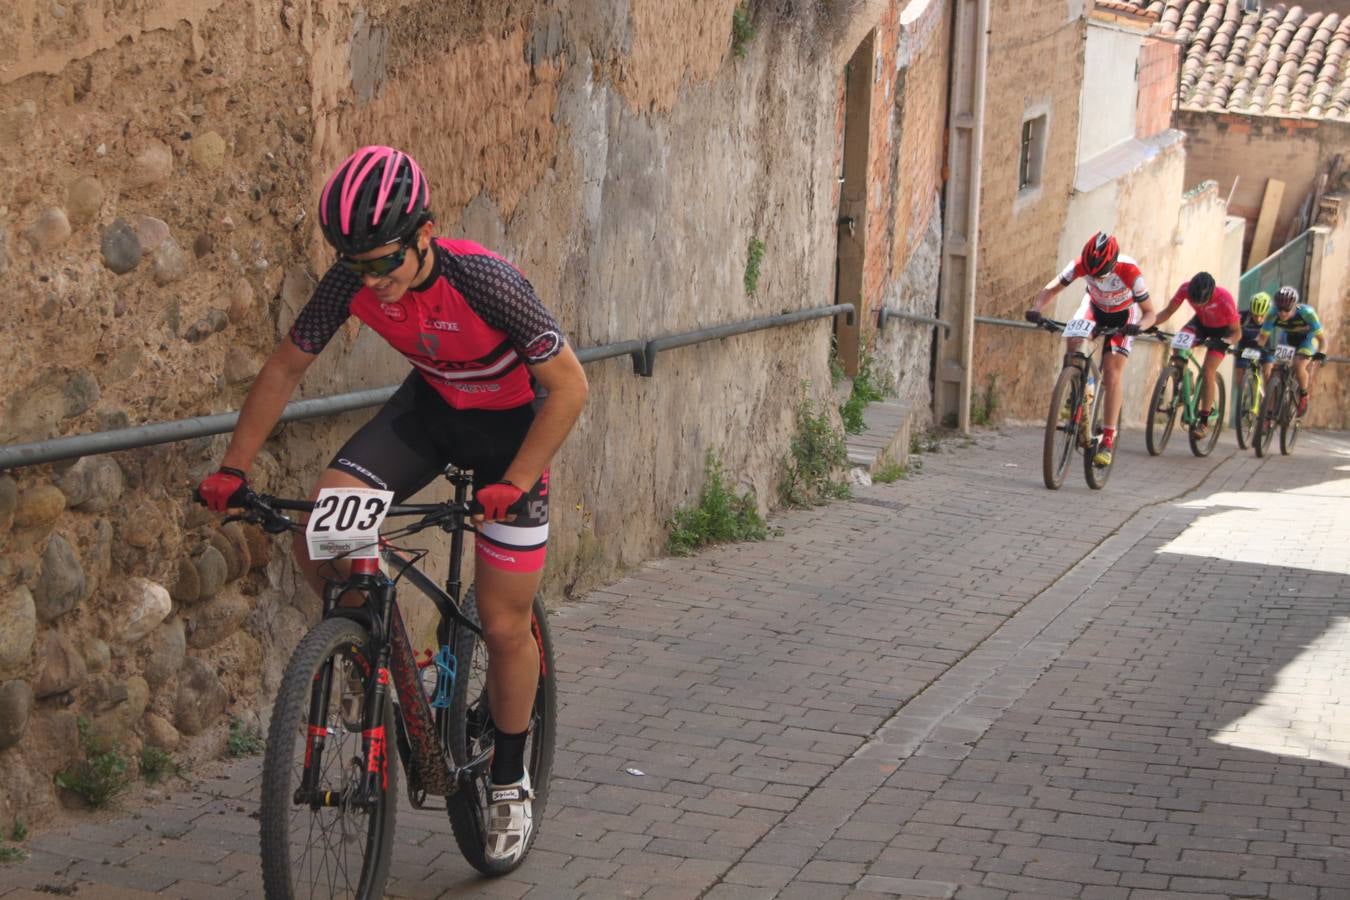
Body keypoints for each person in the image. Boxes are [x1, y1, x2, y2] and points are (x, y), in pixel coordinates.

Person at [197, 146, 588, 864]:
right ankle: (361, 648)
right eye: (358, 266)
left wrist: (518, 477)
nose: (374, 283)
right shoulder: (350, 280)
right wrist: (234, 465)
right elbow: (286, 365)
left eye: (387, 263)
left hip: (512, 434)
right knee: (321, 528)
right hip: (432, 412)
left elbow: (569, 387)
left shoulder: (485, 281)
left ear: (424, 235)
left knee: (503, 626)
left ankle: (507, 774)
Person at [1025, 231, 1157, 466]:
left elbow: (1150, 313)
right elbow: (1051, 288)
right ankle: (1077, 387)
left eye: (1102, 274)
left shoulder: (1130, 273)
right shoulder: (1080, 264)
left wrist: (1138, 327)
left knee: (1112, 372)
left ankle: (1107, 439)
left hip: (1123, 317)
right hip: (1094, 307)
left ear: (1113, 263)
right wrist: (1037, 307)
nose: (1096, 278)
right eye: (1091, 274)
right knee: (1074, 337)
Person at [1151, 272, 1241, 439]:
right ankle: (1181, 383)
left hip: (1222, 332)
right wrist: (1147, 323)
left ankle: (1204, 420)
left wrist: (1226, 342)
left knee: (1208, 371)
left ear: (1212, 293)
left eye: (1203, 302)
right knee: (1178, 343)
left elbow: (1237, 333)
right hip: (1201, 324)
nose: (1199, 305)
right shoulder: (1185, 289)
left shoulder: (1225, 299)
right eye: (1195, 302)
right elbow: (1167, 312)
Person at [1257, 286, 1328, 416]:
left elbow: (1322, 340)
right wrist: (1255, 349)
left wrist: (1322, 352)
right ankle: (1269, 413)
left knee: (1298, 365)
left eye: (1287, 310)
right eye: (1280, 309)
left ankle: (1303, 394)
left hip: (1307, 339)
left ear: (1294, 306)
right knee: (1275, 373)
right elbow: (1262, 338)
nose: (1283, 313)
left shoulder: (1307, 313)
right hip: (1287, 337)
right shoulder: (1272, 313)